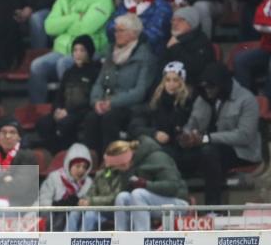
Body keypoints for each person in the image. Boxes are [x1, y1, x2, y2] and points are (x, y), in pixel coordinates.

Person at [29, 0, 114, 104]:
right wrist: (74, 17)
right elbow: (49, 27)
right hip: (61, 50)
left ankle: (69, 107)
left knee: (64, 64)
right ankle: (38, 109)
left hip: (91, 51)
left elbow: (85, 28)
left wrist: (63, 24)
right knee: (36, 66)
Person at [178, 62, 262, 206]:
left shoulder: (246, 100)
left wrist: (207, 138)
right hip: (205, 146)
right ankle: (180, 205)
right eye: (204, 87)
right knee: (176, 154)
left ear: (222, 85)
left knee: (210, 152)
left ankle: (213, 208)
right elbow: (192, 124)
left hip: (240, 152)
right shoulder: (202, 99)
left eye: (211, 87)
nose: (207, 91)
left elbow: (245, 136)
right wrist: (186, 136)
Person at [84, 13, 156, 155]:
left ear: (134, 33)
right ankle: (91, 159)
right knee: (91, 117)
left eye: (120, 30)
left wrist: (112, 103)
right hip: (106, 103)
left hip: (130, 106)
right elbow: (99, 83)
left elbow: (139, 92)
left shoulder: (145, 57)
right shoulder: (111, 52)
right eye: (115, 30)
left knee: (110, 118)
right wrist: (96, 101)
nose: (116, 34)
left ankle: (112, 158)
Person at [35, 34, 101, 153]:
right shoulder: (69, 72)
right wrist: (56, 110)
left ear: (89, 52)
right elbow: (59, 96)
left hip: (82, 112)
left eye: (82, 50)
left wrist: (69, 111)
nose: (78, 54)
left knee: (66, 123)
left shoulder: (95, 72)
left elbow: (90, 99)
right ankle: (54, 154)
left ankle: (68, 153)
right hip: (64, 110)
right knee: (44, 123)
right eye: (75, 50)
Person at [109, 139, 189, 231]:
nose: (118, 169)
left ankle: (142, 234)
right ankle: (121, 236)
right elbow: (126, 190)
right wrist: (126, 173)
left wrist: (145, 184)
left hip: (177, 202)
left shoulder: (158, 157)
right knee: (122, 197)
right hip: (150, 202)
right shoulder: (131, 166)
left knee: (138, 194)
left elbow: (173, 187)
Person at [128, 61, 194, 161]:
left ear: (182, 82)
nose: (171, 84)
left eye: (175, 80)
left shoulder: (187, 104)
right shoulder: (155, 102)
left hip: (176, 150)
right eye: (167, 80)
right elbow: (134, 127)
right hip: (154, 145)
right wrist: (154, 133)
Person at [38, 142, 93, 231]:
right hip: (53, 218)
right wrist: (60, 205)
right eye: (77, 166)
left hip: (77, 220)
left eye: (84, 167)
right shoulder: (54, 177)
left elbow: (89, 201)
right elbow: (43, 202)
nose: (81, 170)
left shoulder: (88, 182)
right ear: (69, 165)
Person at [162, 5, 216, 82]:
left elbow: (195, 67)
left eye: (180, 20)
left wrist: (175, 47)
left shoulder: (201, 41)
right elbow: (162, 66)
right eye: (173, 20)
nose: (175, 23)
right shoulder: (171, 39)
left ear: (192, 23)